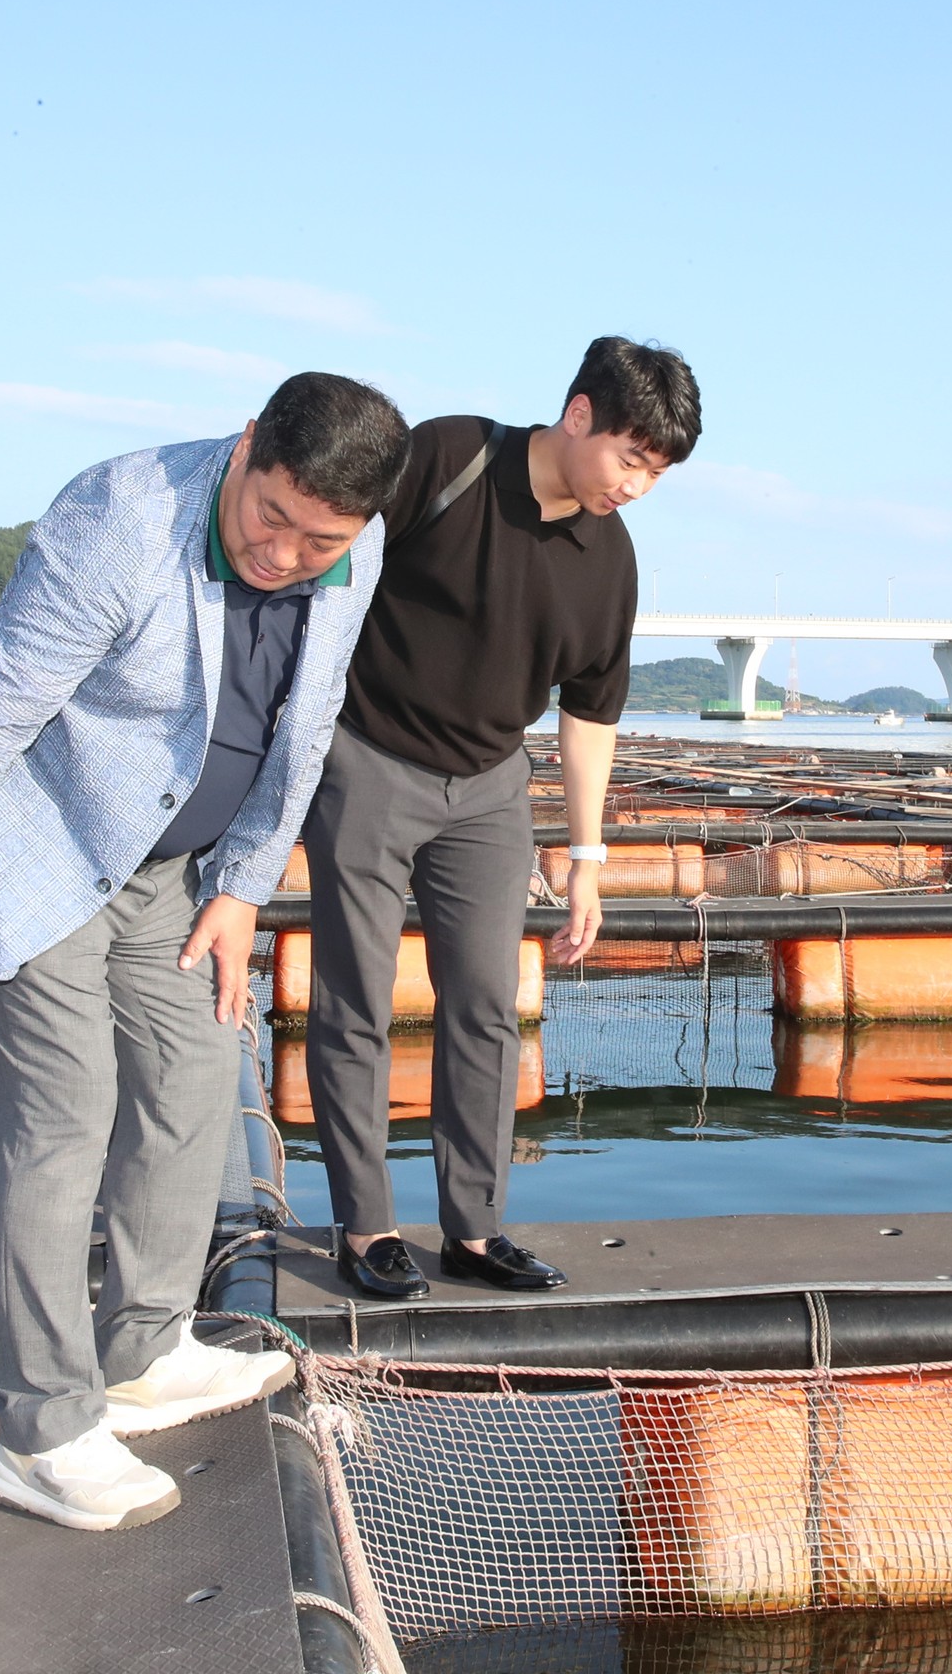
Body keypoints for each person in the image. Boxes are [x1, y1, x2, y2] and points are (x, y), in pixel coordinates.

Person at [0, 373, 408, 1532]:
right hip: (44, 853)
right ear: (245, 445)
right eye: (272, 516)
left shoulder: (348, 556)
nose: (286, 553)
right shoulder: (119, 520)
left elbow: (303, 731)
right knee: (63, 1111)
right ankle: (43, 1423)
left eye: (322, 539)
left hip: (178, 874)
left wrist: (239, 889)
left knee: (191, 1077)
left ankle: (144, 1342)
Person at [305, 336, 702, 1299]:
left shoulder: (611, 561)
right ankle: (365, 1227)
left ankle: (474, 1230)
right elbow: (329, 566)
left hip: (488, 789)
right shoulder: (449, 458)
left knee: (486, 1006)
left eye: (657, 474)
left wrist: (588, 856)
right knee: (356, 999)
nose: (638, 488)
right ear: (578, 416)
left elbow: (590, 713)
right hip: (366, 758)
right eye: (632, 460)